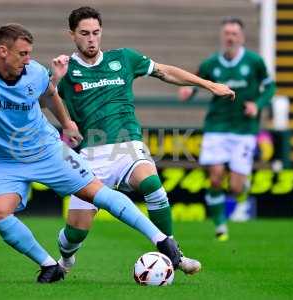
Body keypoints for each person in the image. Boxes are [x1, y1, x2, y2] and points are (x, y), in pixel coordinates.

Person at [0, 23, 185, 284]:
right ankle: (48, 265)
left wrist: (67, 123)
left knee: (96, 193)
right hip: (7, 161)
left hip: (49, 151)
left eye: (29, 53)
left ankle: (161, 239)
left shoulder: (34, 71)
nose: (28, 59)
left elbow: (50, 95)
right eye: (22, 53)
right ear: (2, 51)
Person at [55, 6, 235, 274]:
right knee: (74, 235)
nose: (91, 39)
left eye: (96, 32)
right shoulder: (64, 70)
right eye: (84, 33)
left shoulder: (124, 58)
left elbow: (164, 71)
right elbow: (44, 102)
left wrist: (208, 85)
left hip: (128, 146)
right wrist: (55, 83)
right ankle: (67, 259)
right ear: (72, 35)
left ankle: (173, 252)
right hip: (90, 155)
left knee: (152, 183)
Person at [179, 17, 276, 241]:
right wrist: (189, 93)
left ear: (241, 37)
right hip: (216, 127)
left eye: (234, 33)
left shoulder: (254, 62)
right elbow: (197, 81)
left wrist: (257, 105)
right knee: (214, 178)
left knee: (236, 186)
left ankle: (242, 186)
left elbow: (270, 86)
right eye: (227, 33)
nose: (230, 37)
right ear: (223, 36)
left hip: (244, 130)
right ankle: (220, 225)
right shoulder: (211, 63)